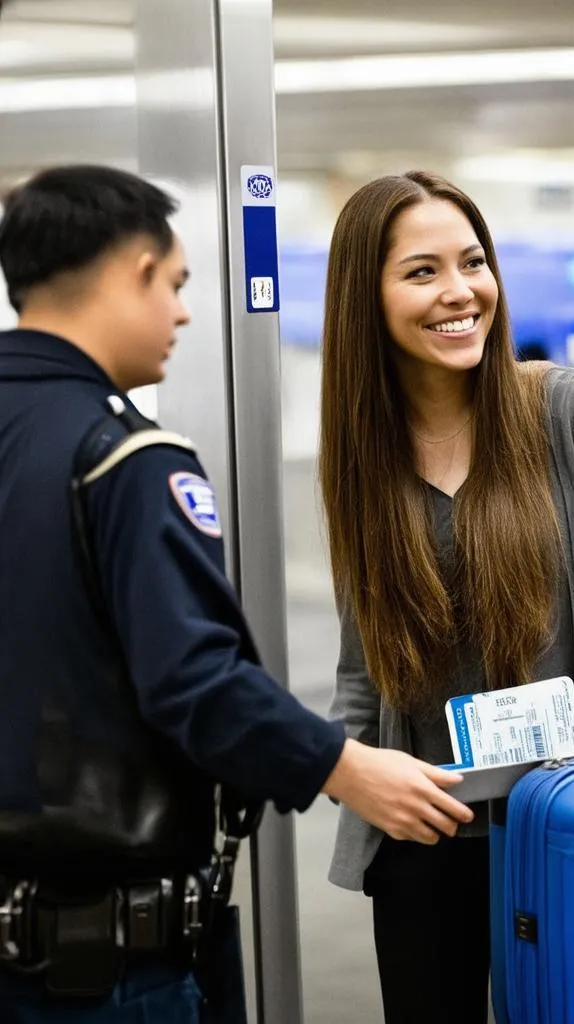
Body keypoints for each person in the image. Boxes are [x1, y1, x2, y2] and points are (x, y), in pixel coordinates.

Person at [0, 165, 475, 1023]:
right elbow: (193, 679)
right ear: (133, 272)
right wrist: (346, 766)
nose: (184, 313)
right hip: (98, 959)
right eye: (176, 285)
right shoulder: (125, 461)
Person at [319, 171, 574, 1023]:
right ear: (368, 295)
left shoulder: (565, 410)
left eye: (472, 262)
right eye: (422, 271)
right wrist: (339, 772)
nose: (460, 292)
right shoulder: (365, 459)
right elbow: (364, 669)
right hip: (427, 834)